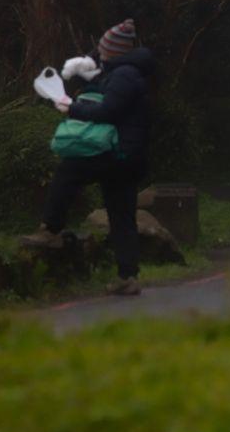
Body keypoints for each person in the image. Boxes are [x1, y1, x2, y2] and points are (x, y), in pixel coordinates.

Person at [20, 19, 155, 295]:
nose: (99, 52)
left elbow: (107, 111)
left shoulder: (124, 74)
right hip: (128, 156)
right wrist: (84, 73)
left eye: (103, 48)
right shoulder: (125, 72)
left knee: (69, 172)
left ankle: (50, 228)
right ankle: (128, 277)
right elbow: (105, 92)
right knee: (122, 216)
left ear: (113, 50)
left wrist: (72, 109)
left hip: (115, 152)